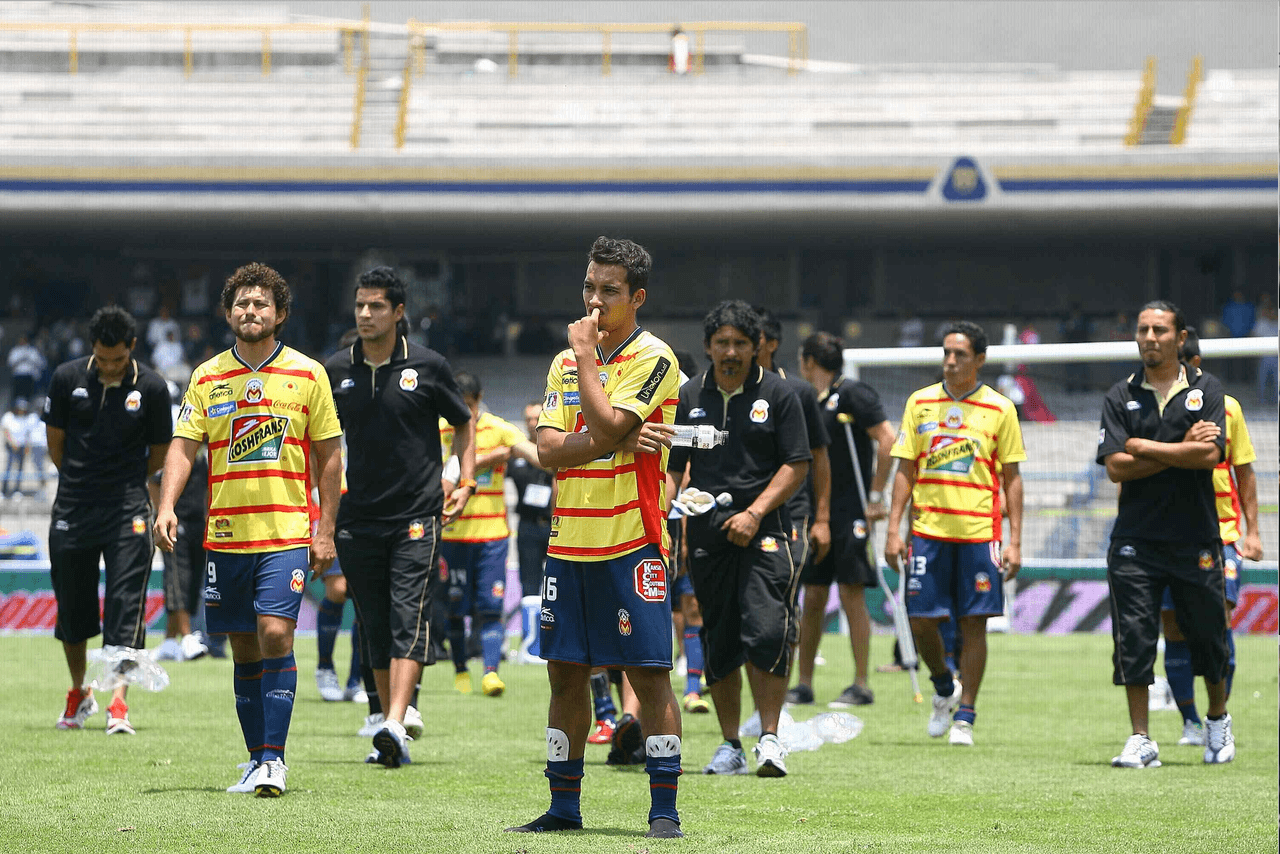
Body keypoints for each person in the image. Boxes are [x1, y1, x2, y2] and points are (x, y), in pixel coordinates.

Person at [508, 236, 684, 838]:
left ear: (637, 298)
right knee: (564, 674)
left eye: (610, 291)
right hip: (567, 544)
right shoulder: (562, 362)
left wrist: (589, 370)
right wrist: (613, 439)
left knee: (648, 675)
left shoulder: (654, 357)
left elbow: (606, 424)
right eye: (589, 287)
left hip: (632, 542)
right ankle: (563, 807)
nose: (595, 301)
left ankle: (663, 811)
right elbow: (547, 451)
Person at [155, 263, 344, 796]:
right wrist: (166, 505)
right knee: (242, 647)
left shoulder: (309, 374)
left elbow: (329, 455)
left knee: (275, 634)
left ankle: (275, 761)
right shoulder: (206, 376)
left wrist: (325, 529)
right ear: (227, 313)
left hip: (286, 533)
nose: (251, 311)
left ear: (280, 314)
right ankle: (257, 758)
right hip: (226, 536)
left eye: (261, 303)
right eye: (242, 303)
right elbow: (183, 447)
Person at [324, 266, 476, 768]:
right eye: (360, 305)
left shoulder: (429, 366)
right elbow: (319, 444)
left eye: (376, 306)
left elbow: (464, 423)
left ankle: (393, 721)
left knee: (408, 615)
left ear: (399, 312)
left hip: (417, 515)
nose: (365, 314)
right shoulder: (334, 371)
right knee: (373, 624)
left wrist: (463, 479)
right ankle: (391, 725)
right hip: (358, 518)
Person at [669, 299, 811, 778]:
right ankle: (730, 745)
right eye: (722, 342)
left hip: (767, 528)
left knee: (768, 629)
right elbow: (675, 469)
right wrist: (667, 513)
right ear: (708, 346)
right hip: (707, 531)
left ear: (757, 347)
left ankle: (769, 738)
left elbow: (797, 464)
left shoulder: (780, 394)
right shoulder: (689, 396)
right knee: (720, 636)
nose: (730, 351)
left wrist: (754, 512)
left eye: (740, 343)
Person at [1096, 300, 1234, 768]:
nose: (1150, 337)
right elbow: (1117, 468)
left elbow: (1209, 456)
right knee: (1133, 639)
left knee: (1208, 636)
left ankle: (1217, 719)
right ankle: (1141, 738)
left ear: (1180, 337)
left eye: (1159, 330)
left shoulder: (1207, 388)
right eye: (1143, 330)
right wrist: (1178, 449)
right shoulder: (1120, 394)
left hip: (1196, 537)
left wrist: (1143, 446)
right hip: (1134, 540)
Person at [884, 320, 1025, 747]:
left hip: (980, 533)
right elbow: (905, 468)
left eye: (959, 354)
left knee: (974, 624)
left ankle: (966, 715)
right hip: (927, 532)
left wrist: (1016, 541)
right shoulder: (920, 402)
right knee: (921, 620)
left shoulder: (1001, 408)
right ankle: (944, 686)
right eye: (946, 352)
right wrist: (893, 529)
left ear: (979, 359)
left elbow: (1013, 477)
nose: (950, 361)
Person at [44, 306, 172, 735]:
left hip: (127, 509)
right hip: (73, 507)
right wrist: (82, 481)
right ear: (92, 349)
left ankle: (118, 702)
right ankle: (79, 692)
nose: (109, 366)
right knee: (73, 607)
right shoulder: (66, 378)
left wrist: (125, 482)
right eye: (101, 358)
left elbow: (160, 451)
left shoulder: (152, 387)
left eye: (117, 359)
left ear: (131, 347)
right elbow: (56, 445)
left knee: (125, 607)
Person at [1159, 326, 1261, 747]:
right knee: (1173, 628)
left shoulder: (1228, 408)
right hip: (1168, 537)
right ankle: (1190, 723)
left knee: (1217, 623)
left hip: (1220, 535)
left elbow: (1244, 471)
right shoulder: (1153, 406)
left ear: (1195, 363)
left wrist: (1253, 532)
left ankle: (1218, 717)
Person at [793, 331, 895, 708]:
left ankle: (861, 683)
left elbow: (888, 439)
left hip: (851, 511)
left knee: (852, 593)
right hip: (816, 512)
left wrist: (875, 496)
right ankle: (804, 683)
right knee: (813, 594)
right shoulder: (810, 399)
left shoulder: (853, 393)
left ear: (809, 361)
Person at [748, 314, 834, 707]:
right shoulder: (727, 390)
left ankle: (777, 704)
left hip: (791, 516)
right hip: (739, 514)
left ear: (770, 343)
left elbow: (819, 458)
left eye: (751, 337)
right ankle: (760, 707)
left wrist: (823, 518)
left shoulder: (798, 391)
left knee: (781, 604)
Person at [439, 371, 538, 697]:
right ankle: (460, 670)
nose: (462, 411)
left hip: (493, 535)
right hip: (452, 535)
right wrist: (491, 458)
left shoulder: (499, 429)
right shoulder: (440, 429)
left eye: (468, 405)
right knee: (455, 608)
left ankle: (491, 673)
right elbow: (442, 475)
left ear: (479, 400)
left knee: (490, 606)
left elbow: (535, 454)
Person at [151, 381, 211, 663]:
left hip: (198, 520)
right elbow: (154, 481)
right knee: (178, 579)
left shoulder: (200, 442)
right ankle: (187, 637)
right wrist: (162, 512)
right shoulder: (168, 442)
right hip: (176, 520)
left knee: (191, 579)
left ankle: (170, 640)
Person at [507, 399, 556, 665]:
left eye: (537, 418)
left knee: (556, 584)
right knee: (529, 585)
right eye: (528, 419)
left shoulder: (557, 448)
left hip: (553, 525)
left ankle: (552, 641)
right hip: (527, 525)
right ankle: (529, 644)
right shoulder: (516, 453)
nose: (532, 423)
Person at [2, 397, 39, 497]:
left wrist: (27, 445)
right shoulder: (9, 416)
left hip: (22, 446)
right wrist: (12, 442)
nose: (21, 411)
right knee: (9, 467)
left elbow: (28, 433)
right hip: (11, 446)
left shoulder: (27, 419)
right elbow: (6, 430)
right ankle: (4, 490)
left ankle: (16, 490)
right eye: (19, 408)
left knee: (20, 469)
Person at [8, 333, 47, 401]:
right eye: (21, 339)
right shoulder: (14, 350)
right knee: (18, 397)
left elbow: (41, 364)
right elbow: (10, 363)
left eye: (24, 339)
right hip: (18, 376)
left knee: (30, 396)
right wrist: (21, 359)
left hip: (30, 376)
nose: (22, 341)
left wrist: (29, 360)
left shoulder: (32, 350)